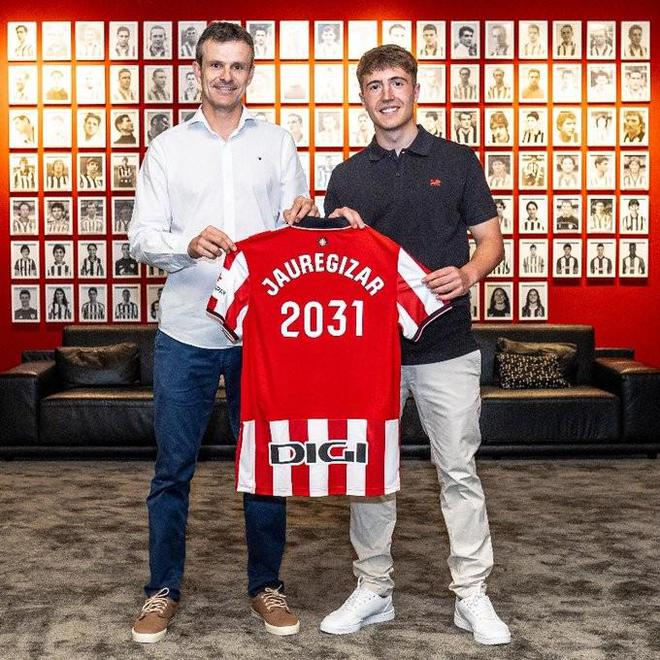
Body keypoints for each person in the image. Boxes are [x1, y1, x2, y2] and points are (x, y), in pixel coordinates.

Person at [128, 21, 316, 643]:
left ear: (250, 73)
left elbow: (296, 234)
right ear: (198, 72)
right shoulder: (167, 148)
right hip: (186, 331)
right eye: (216, 65)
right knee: (172, 470)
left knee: (265, 465)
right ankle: (162, 589)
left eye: (238, 66)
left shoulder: (279, 142)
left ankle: (267, 585)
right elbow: (140, 238)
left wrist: (303, 219)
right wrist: (187, 243)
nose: (226, 76)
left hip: (260, 335)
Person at [321, 43, 509, 646]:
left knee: (458, 471)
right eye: (375, 85)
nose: (387, 95)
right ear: (362, 97)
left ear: (415, 90)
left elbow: (490, 241)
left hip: (447, 345)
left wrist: (469, 273)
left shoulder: (456, 160)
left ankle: (472, 593)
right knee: (369, 474)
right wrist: (332, 229)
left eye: (397, 82)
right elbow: (332, 266)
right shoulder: (347, 176)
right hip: (370, 353)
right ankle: (373, 588)